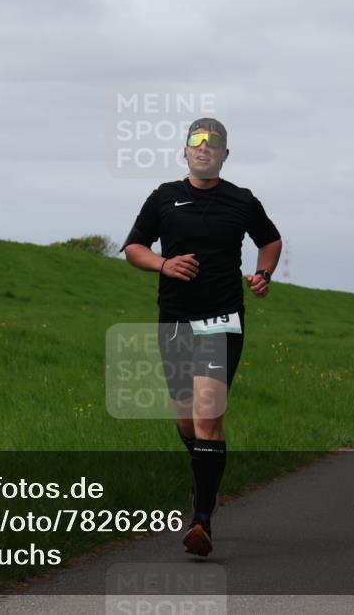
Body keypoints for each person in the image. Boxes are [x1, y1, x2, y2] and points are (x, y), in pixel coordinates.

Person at [121, 117, 282, 557]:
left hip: (222, 317)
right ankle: (204, 482)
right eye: (197, 142)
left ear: (226, 153)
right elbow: (134, 247)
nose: (204, 148)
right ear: (185, 150)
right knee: (185, 418)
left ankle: (201, 520)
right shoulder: (164, 197)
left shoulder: (242, 200)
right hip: (175, 319)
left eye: (214, 143)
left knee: (209, 415)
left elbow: (270, 240)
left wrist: (264, 273)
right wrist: (163, 264)